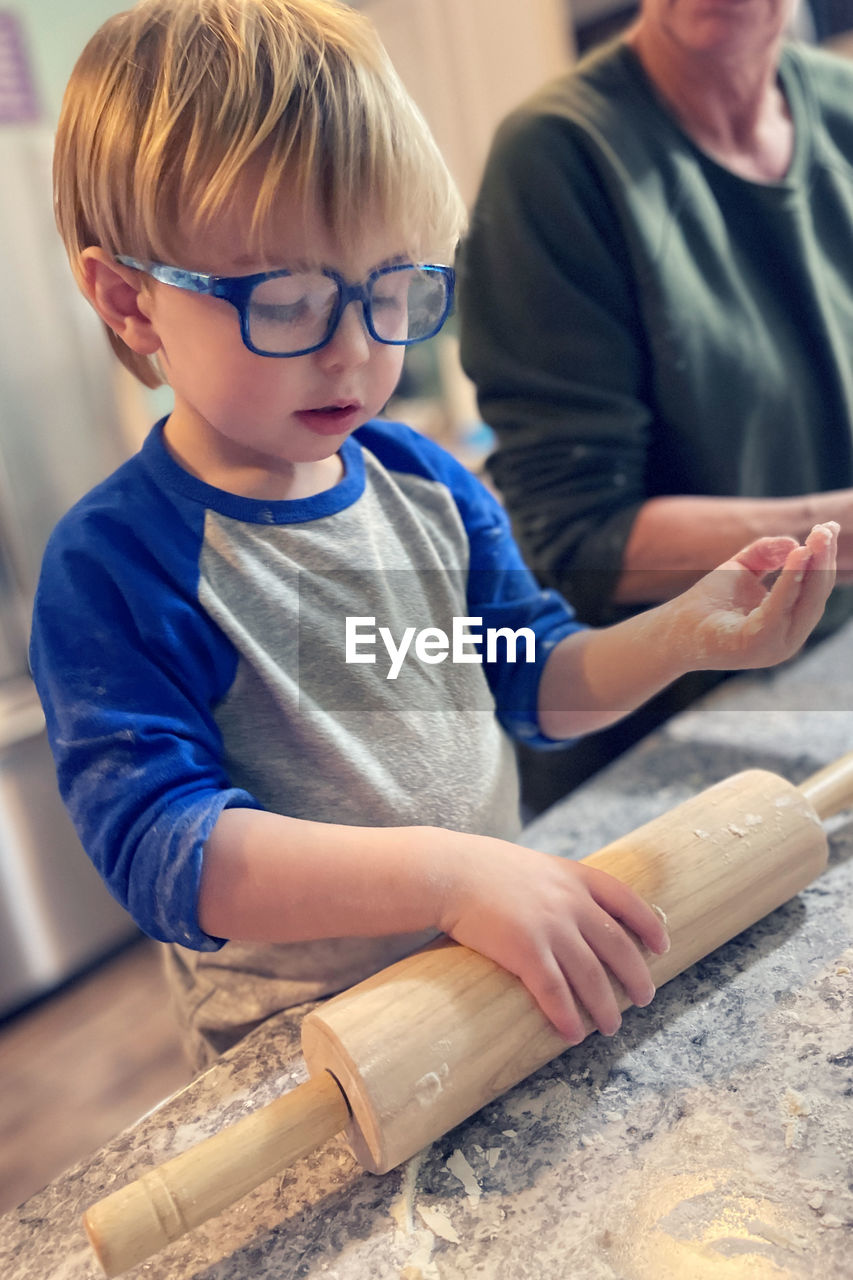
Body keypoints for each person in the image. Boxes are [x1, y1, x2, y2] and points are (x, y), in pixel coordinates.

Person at [31, 0, 837, 1073]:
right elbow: (168, 853)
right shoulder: (119, 563)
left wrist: (683, 632)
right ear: (131, 302)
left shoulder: (425, 487)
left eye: (391, 288)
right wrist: (452, 874)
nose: (357, 353)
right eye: (288, 302)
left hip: (489, 984)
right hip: (308, 1058)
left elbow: (530, 674)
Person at [457, 0, 853, 808]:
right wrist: (836, 535)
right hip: (660, 760)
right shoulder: (561, 156)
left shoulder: (841, 109)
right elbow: (576, 537)